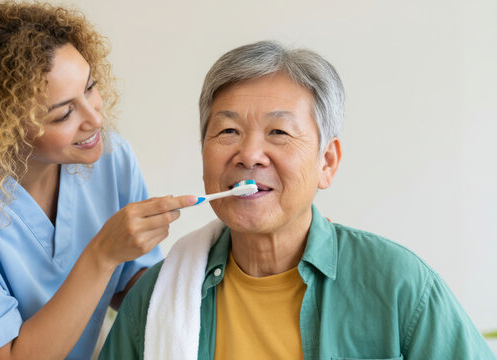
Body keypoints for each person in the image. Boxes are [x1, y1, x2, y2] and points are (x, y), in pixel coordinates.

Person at [100, 40, 495, 359]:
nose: (249, 154)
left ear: (327, 162)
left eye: (279, 133)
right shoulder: (157, 298)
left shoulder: (399, 286)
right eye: (228, 131)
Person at [0, 2, 195, 359]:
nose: (95, 119)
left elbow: (131, 288)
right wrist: (101, 254)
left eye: (90, 88)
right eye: (64, 113)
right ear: (1, 127)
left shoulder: (110, 159)